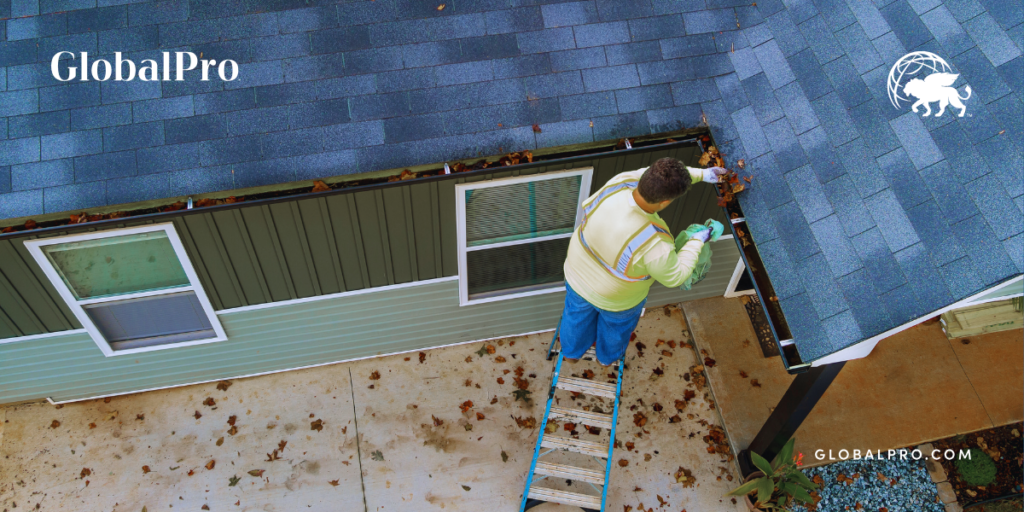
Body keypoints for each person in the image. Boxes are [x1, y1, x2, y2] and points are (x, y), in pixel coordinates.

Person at [559, 157, 727, 366]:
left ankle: (571, 354)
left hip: (577, 274)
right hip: (617, 300)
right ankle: (605, 359)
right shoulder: (654, 242)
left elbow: (656, 175)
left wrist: (702, 174)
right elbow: (675, 276)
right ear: (665, 202)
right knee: (615, 329)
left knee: (575, 318)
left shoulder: (620, 182)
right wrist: (696, 240)